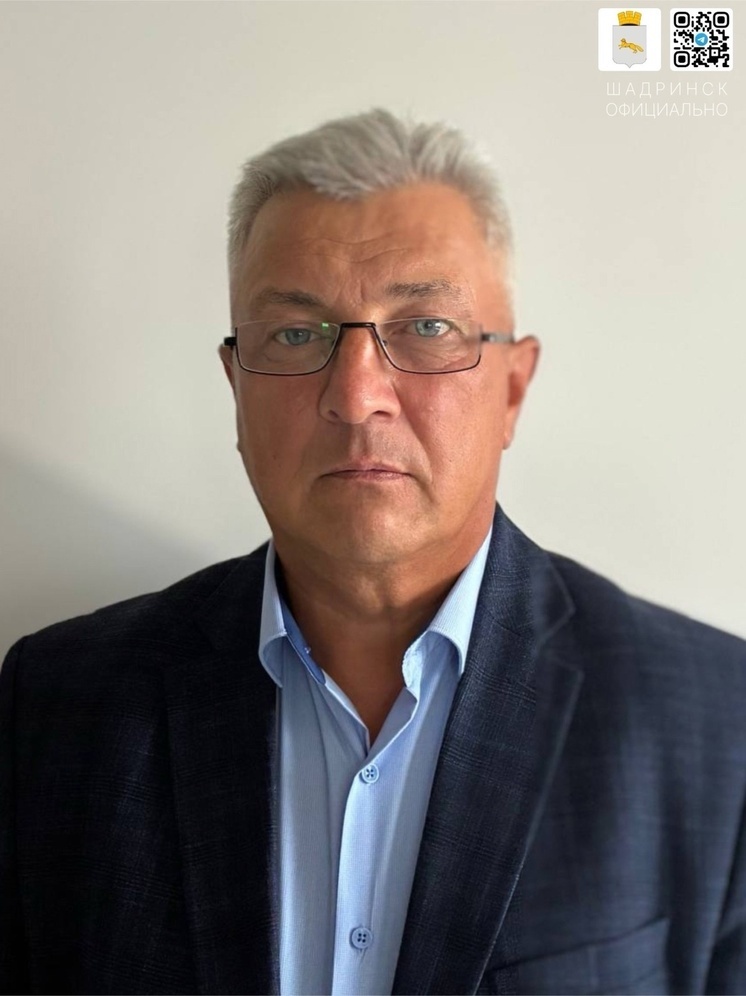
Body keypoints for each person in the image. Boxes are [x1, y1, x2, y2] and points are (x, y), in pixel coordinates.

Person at [1, 108, 744, 996]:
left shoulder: (716, 722)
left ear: (512, 389)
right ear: (236, 389)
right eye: (295, 334)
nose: (356, 397)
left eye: (425, 327)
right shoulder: (59, 706)